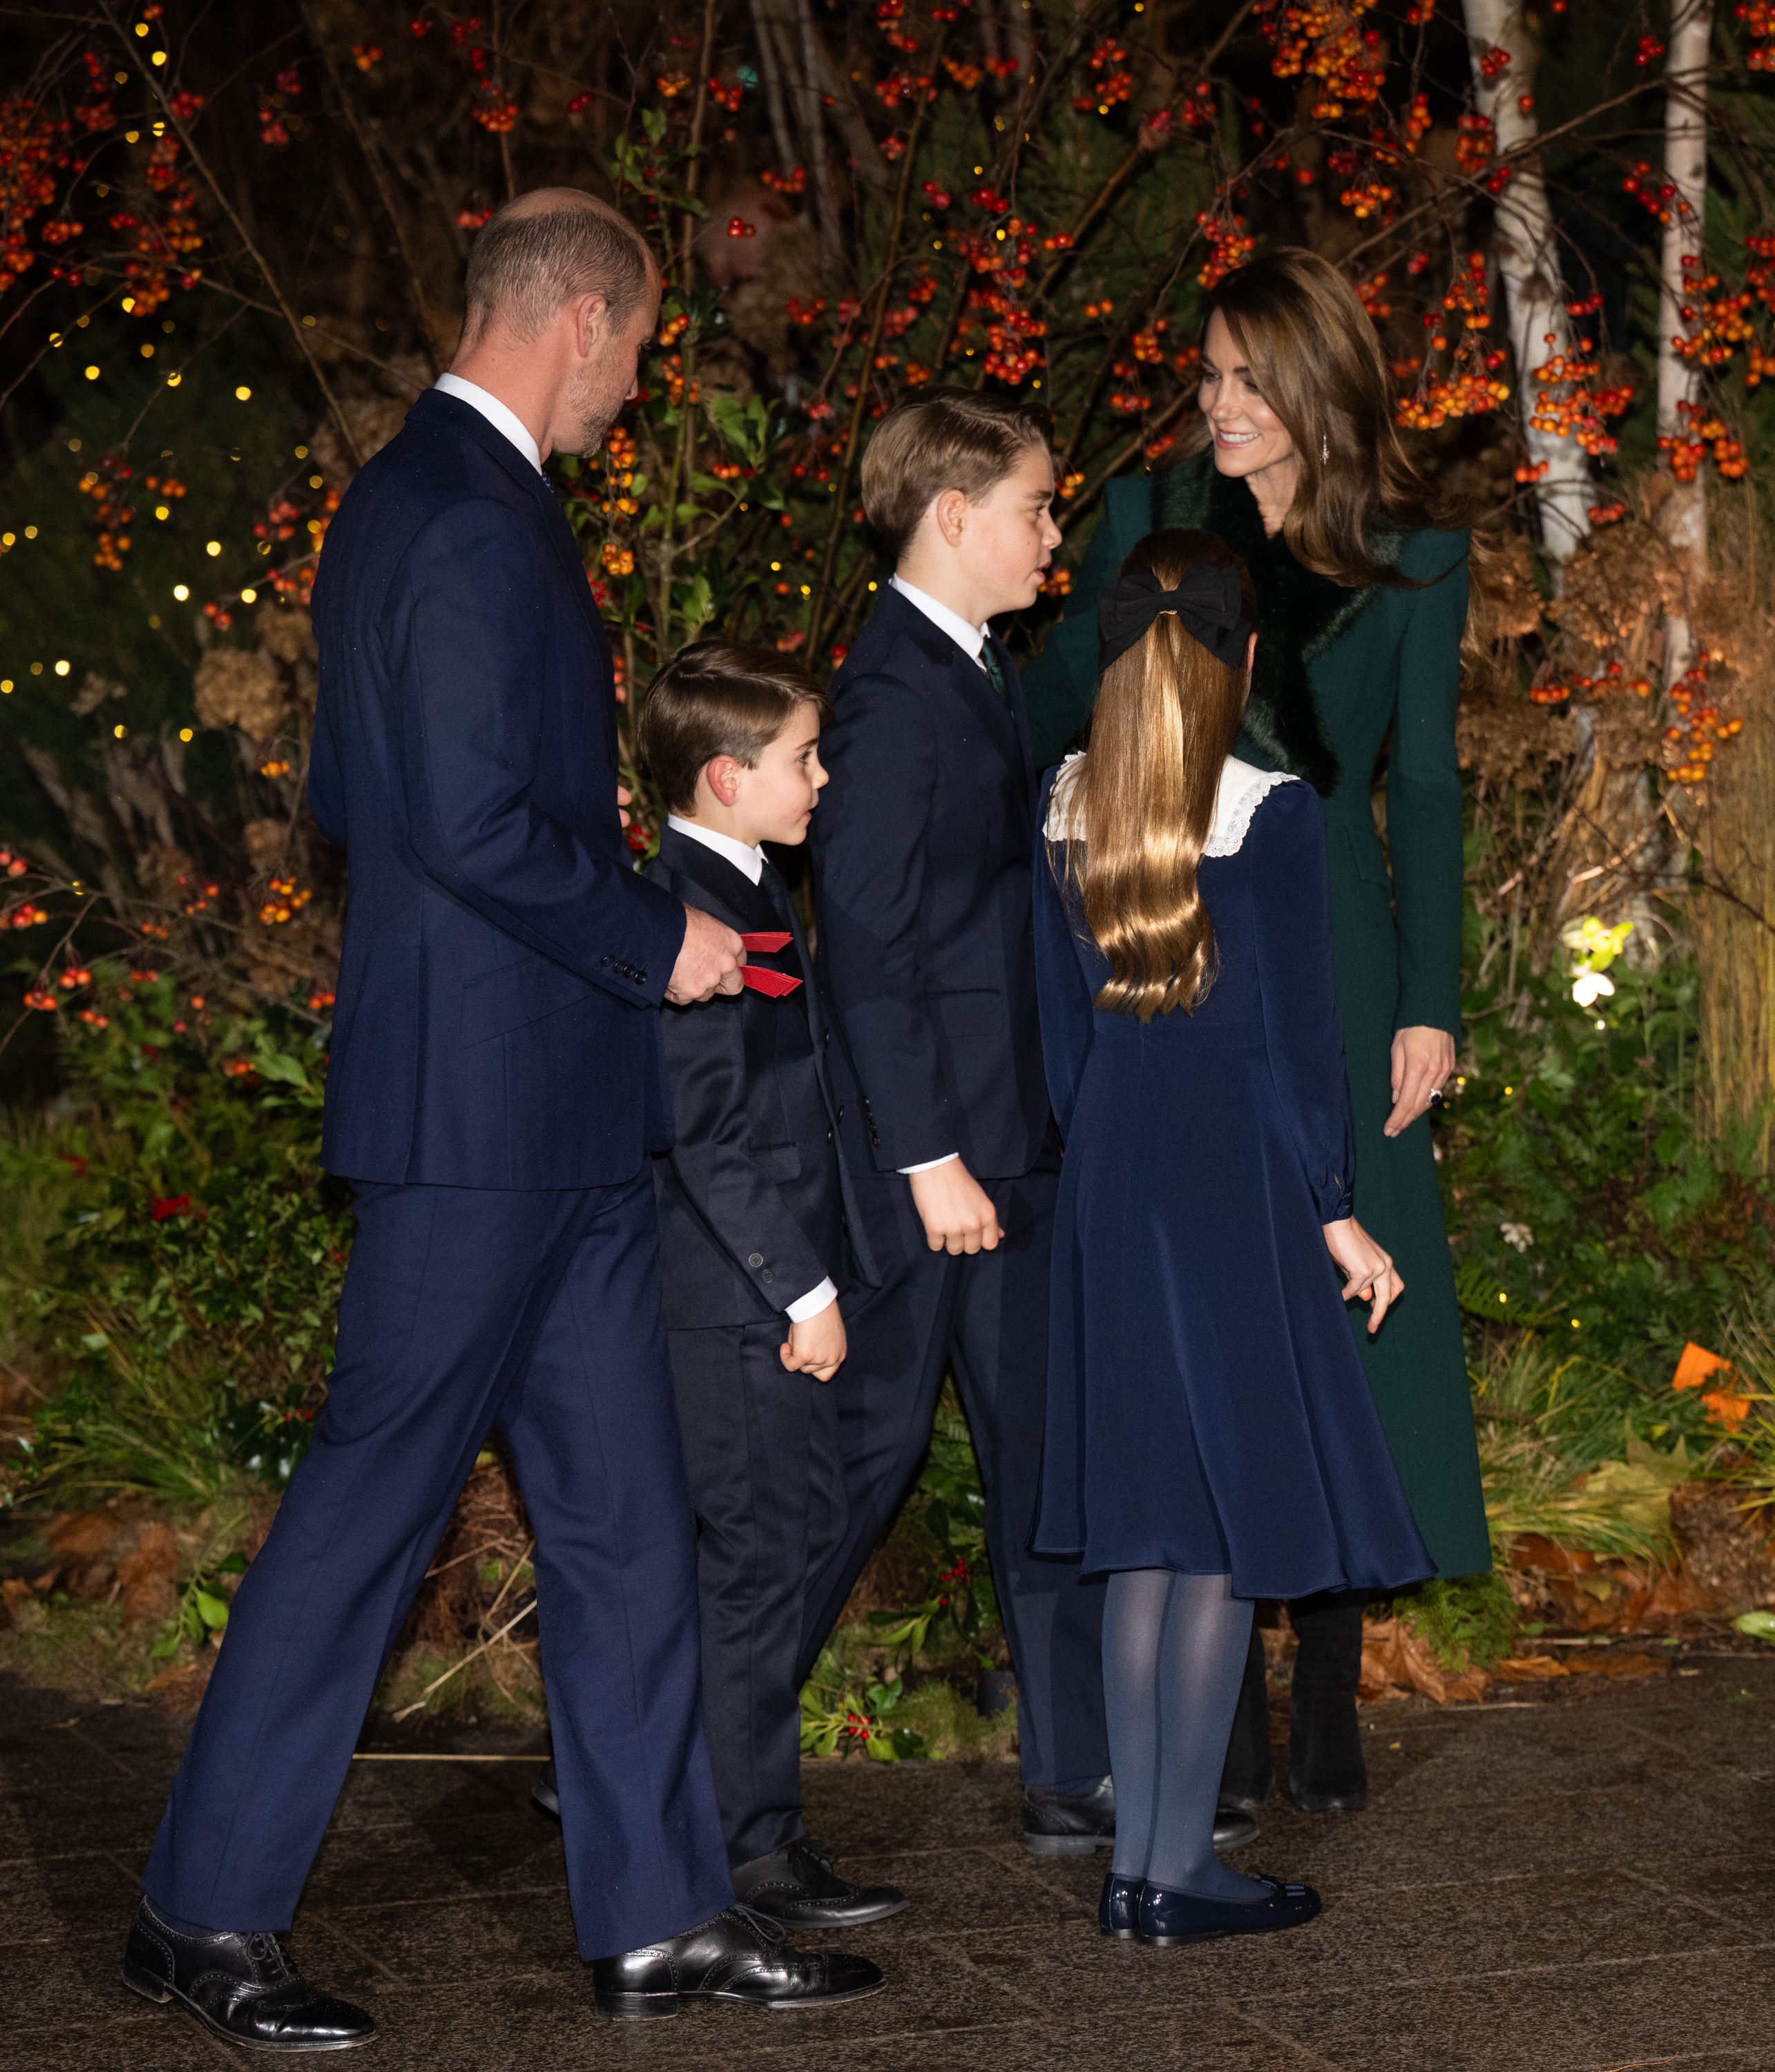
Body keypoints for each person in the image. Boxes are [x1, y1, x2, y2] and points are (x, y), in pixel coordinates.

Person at [120, 190, 879, 2050]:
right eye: (630, 349)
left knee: (623, 1527)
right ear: (577, 322)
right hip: (477, 1120)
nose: (631, 385)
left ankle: (660, 1915)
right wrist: (659, 939)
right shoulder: (461, 516)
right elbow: (458, 818)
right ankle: (199, 1910)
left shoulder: (423, 510)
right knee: (367, 1518)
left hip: (555, 1122)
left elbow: (358, 793)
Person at [1019, 247, 1490, 1818]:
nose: (1216, 405)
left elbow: (1419, 785)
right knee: (1193, 1312)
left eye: (1244, 378)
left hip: (1329, 952)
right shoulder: (1147, 523)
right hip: (1151, 940)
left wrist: (1432, 996)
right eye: (1207, 374)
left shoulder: (1415, 553)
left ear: (1318, 383)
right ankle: (1211, 1733)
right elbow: (1061, 721)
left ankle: (1333, 1676)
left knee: (1339, 1310)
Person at [802, 387, 1252, 1861]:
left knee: (1049, 1460)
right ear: (952, 515)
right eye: (1037, 509)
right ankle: (677, 1738)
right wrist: (928, 1158)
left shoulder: (970, 668)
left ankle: (1073, 1767)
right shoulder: (885, 697)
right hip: (937, 1164)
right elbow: (866, 944)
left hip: (1013, 1145)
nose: (1053, 537)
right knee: (854, 1471)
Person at [1032, 525, 1434, 1949]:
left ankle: (1142, 1869)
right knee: (1209, 1538)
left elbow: (1058, 1047)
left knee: (1147, 1536)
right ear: (1243, 655)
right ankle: (1170, 1875)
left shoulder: (1064, 802)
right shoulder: (1271, 812)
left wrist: (1102, 1176)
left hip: (1110, 1179)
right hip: (1232, 1183)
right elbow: (1297, 1043)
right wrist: (1334, 1210)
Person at [531, 642, 905, 1931]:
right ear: (725, 776)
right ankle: (748, 1848)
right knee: (755, 1563)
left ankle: (720, 1811)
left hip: (757, 1289)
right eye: (804, 758)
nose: (823, 777)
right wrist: (802, 1291)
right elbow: (708, 1133)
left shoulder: (747, 886)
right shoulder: (687, 904)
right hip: (730, 1299)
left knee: (775, 1548)